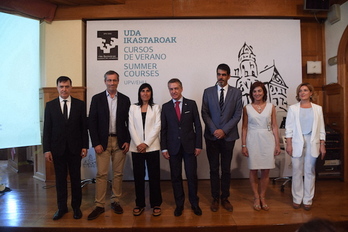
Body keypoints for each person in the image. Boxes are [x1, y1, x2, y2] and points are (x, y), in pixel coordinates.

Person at [43, 76, 88, 220]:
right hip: (57, 150)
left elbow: (83, 128)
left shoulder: (80, 105)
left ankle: (76, 208)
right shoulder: (50, 106)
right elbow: (47, 129)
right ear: (57, 88)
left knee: (76, 179)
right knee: (60, 181)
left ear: (71, 87)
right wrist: (47, 149)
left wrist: (85, 146)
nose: (64, 89)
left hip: (75, 149)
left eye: (67, 86)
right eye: (61, 86)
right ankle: (61, 207)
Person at [87, 70, 131, 220]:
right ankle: (99, 205)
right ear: (105, 81)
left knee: (118, 174)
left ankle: (115, 201)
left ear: (118, 81)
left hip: (120, 141)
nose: (112, 83)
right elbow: (91, 123)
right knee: (102, 174)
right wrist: (96, 143)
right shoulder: (97, 99)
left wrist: (128, 140)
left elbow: (129, 123)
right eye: (109, 80)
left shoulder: (125, 99)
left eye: (114, 80)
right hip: (103, 142)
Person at [201, 63, 243, 212]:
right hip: (212, 137)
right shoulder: (208, 92)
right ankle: (215, 198)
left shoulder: (237, 93)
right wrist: (214, 130)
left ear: (229, 76)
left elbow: (237, 114)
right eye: (219, 74)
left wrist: (224, 130)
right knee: (213, 169)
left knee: (226, 169)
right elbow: (204, 113)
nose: (221, 77)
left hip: (228, 137)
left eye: (224, 74)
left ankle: (225, 197)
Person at [161, 78, 203, 217]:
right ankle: (179, 204)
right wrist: (164, 148)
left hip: (190, 146)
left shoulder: (191, 104)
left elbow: (197, 125)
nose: (174, 91)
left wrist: (198, 145)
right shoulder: (166, 107)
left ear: (181, 88)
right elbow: (164, 129)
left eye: (176, 88)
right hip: (173, 147)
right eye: (171, 89)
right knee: (176, 177)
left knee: (191, 176)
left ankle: (194, 203)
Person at [285, 82, 326, 211]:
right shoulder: (293, 108)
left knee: (310, 171)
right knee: (297, 171)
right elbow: (289, 128)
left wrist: (322, 145)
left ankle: (308, 199)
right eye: (300, 91)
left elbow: (321, 129)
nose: (302, 92)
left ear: (311, 93)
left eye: (305, 90)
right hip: (297, 142)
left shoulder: (317, 109)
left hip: (312, 142)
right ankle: (297, 198)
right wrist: (289, 144)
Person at [241, 81, 281, 211]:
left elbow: (275, 126)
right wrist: (243, 145)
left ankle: (263, 196)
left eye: (259, 91)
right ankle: (256, 197)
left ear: (264, 92)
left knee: (266, 170)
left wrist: (277, 143)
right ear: (251, 93)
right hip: (252, 139)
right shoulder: (247, 108)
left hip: (267, 139)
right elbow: (244, 127)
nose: (257, 93)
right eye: (254, 91)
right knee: (253, 169)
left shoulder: (271, 107)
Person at [128, 83, 162, 216]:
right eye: (143, 90)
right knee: (138, 176)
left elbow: (157, 126)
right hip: (137, 148)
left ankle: (156, 203)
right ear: (139, 93)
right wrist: (139, 144)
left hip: (152, 147)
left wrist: (146, 143)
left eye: (148, 90)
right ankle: (140, 203)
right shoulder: (133, 108)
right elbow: (131, 127)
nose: (145, 93)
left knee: (154, 176)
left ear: (151, 93)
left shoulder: (156, 107)